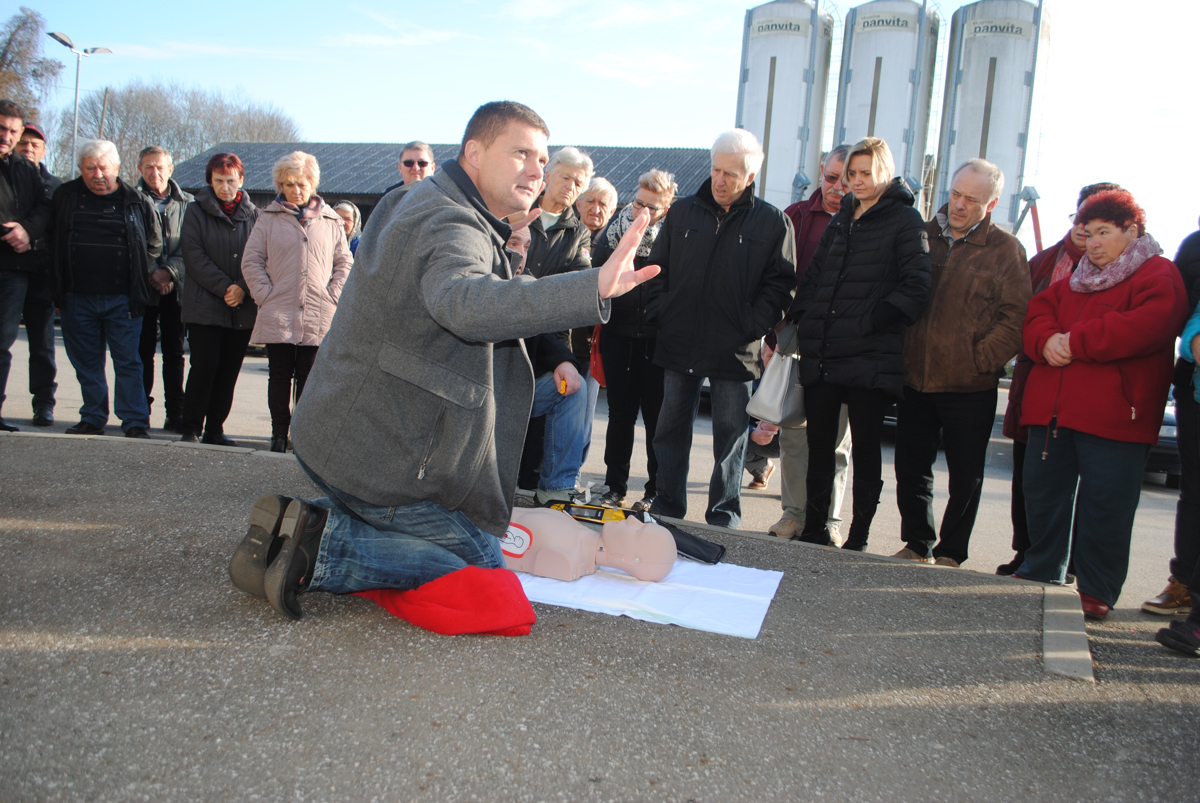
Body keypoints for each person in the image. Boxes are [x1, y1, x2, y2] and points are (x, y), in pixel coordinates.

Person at [227, 101, 659, 621]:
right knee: (484, 575)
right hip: (378, 457)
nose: (536, 170)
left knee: (479, 550)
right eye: (520, 152)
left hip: (347, 434)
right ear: (474, 153)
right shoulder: (450, 220)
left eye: (542, 159)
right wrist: (593, 286)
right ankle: (324, 549)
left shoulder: (426, 197)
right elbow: (465, 301)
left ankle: (307, 523)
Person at [1016, 189, 1187, 620]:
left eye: (1104, 233)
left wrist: (1075, 341)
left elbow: (1147, 325)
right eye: (1088, 233)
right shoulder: (1073, 276)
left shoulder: (1158, 274)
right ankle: (1041, 568)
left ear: (1131, 231)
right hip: (1054, 413)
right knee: (1043, 494)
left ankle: (1096, 589)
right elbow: (1037, 312)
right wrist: (1045, 340)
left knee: (1106, 505)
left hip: (1115, 417)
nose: (1093, 242)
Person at [646, 129, 797, 529]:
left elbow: (782, 285)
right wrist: (664, 313)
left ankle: (724, 513)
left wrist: (751, 326)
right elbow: (657, 270)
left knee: (731, 438)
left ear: (750, 177)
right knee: (669, 430)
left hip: (735, 348)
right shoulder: (682, 214)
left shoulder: (773, 222)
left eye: (731, 173)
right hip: (679, 341)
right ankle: (666, 506)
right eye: (716, 170)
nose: (720, 180)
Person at [792, 136, 931, 549]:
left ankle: (858, 536)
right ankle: (816, 528)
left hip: (870, 354)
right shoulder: (842, 217)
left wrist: (869, 322)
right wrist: (806, 318)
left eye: (865, 173)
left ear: (884, 171)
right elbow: (815, 278)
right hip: (824, 351)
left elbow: (917, 288)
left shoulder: (905, 220)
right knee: (819, 445)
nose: (856, 181)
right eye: (851, 173)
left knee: (866, 448)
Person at [892, 159, 1030, 567]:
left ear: (992, 203)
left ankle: (951, 551)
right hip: (915, 376)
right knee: (911, 468)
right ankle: (917, 544)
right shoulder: (921, 235)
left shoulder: (1007, 251)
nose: (959, 205)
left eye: (972, 199)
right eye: (955, 194)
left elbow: (1016, 317)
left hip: (970, 385)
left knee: (965, 475)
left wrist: (980, 360)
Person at [997, 182, 1121, 576]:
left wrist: (1072, 341)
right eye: (1083, 217)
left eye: (1100, 225)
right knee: (1032, 476)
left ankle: (1069, 567)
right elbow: (1024, 313)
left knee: (1091, 489)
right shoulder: (1046, 261)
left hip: (1091, 396)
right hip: (1036, 383)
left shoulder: (1134, 270)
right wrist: (1044, 341)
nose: (1088, 230)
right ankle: (1028, 552)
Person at [47, 139, 164, 438]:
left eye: (104, 168)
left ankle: (135, 420)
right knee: (87, 363)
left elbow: (154, 243)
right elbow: (51, 239)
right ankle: (93, 416)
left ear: (117, 168)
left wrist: (138, 271)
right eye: (90, 168)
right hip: (76, 297)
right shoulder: (65, 196)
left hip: (124, 299)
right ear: (80, 169)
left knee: (128, 362)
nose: (98, 174)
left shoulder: (137, 200)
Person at [769, 145, 854, 542]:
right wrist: (775, 334)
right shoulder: (797, 216)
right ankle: (793, 513)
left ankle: (830, 520)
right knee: (793, 431)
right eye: (832, 178)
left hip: (844, 344)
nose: (837, 188)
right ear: (822, 172)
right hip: (798, 338)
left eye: (847, 180)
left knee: (836, 438)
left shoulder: (867, 222)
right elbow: (776, 277)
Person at [241, 151, 352, 453]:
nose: (296, 190)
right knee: (279, 375)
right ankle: (278, 434)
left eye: (302, 183)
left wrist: (332, 294)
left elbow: (345, 263)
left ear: (312, 184)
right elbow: (251, 260)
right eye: (289, 184)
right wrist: (265, 293)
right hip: (279, 309)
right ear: (281, 184)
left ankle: (301, 436)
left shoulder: (331, 220)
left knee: (309, 379)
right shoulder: (268, 218)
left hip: (318, 311)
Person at [592, 169, 675, 511]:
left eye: (653, 207)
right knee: (620, 417)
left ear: (666, 209)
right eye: (639, 202)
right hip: (618, 338)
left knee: (657, 420)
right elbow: (596, 275)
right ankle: (615, 487)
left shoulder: (673, 238)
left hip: (658, 342)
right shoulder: (611, 233)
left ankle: (655, 490)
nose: (644, 211)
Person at [517, 146, 595, 492]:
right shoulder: (516, 213)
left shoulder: (578, 234)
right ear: (547, 175)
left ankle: (558, 493)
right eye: (565, 177)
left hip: (547, 343)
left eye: (578, 183)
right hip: (502, 336)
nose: (570, 186)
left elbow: (573, 291)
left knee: (570, 389)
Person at [178, 153, 261, 447]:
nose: (224, 187)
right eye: (218, 181)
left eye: (230, 180)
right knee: (204, 366)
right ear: (209, 181)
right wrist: (227, 287)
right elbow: (193, 256)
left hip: (242, 307)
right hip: (205, 305)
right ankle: (191, 427)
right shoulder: (195, 212)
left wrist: (242, 287)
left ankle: (215, 428)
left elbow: (261, 257)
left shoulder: (255, 215)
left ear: (241, 180)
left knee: (228, 370)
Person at [1144, 216, 1200, 617]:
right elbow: (1179, 312)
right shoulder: (1195, 245)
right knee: (1194, 492)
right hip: (1194, 385)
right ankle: (1183, 583)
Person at [0, 103, 52, 432]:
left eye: (12, 131)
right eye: (1, 129)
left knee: (34, 344)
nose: (6, 136)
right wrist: (11, 231)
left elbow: (45, 206)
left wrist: (27, 230)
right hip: (8, 264)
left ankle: (43, 403)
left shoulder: (27, 169)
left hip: (27, 269)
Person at [135, 146, 194, 433]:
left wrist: (169, 272)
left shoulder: (189, 204)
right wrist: (152, 273)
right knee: (141, 353)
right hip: (142, 290)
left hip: (177, 290)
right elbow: (130, 246)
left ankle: (175, 414)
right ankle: (140, 412)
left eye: (160, 166)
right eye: (148, 166)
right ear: (140, 170)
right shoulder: (131, 201)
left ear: (170, 170)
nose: (154, 172)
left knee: (174, 354)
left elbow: (192, 248)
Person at [12, 122, 60, 428]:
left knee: (42, 344)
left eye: (35, 145)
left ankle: (43, 403)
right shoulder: (7, 180)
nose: (29, 149)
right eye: (24, 144)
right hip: (10, 271)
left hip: (42, 275)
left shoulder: (56, 187)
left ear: (44, 151)